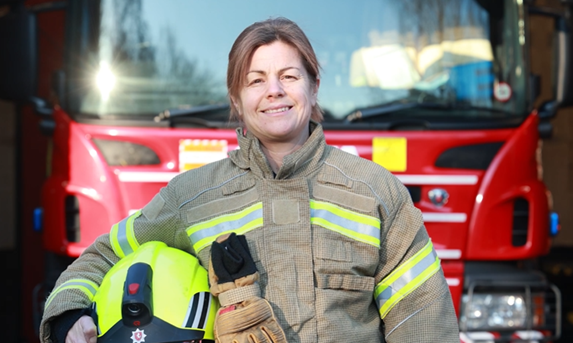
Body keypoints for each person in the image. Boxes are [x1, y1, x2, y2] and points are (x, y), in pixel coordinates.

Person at [40, 17, 460, 343]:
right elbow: (102, 257)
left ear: (314, 89)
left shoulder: (375, 192)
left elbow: (422, 316)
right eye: (255, 80)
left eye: (289, 77)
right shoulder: (192, 198)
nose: (274, 91)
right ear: (237, 102)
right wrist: (70, 314)